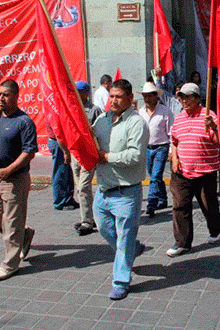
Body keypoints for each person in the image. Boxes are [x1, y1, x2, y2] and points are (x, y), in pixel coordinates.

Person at [92, 79, 149, 300]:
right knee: (105, 229)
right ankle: (133, 249)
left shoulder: (136, 123)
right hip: (104, 189)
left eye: (118, 97)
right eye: (111, 96)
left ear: (129, 99)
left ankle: (121, 281)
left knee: (124, 238)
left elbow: (135, 155)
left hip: (127, 192)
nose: (113, 101)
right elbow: (91, 142)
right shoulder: (101, 121)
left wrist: (108, 157)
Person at [0, 79, 38, 281]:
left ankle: (10, 264)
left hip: (15, 180)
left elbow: (29, 152)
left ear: (16, 96)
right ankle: (24, 234)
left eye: (5, 94)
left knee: (11, 225)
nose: (1, 98)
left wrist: (8, 170)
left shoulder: (24, 121)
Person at [166, 82, 220, 257]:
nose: (184, 101)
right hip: (181, 172)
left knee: (208, 205)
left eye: (188, 97)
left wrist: (213, 127)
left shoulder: (209, 116)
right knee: (179, 206)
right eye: (181, 97)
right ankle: (182, 243)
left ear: (198, 99)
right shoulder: (179, 117)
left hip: (205, 171)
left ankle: (216, 230)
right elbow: (174, 140)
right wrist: (174, 158)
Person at [138, 81, 174, 217]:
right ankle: (163, 199)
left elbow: (171, 131)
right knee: (155, 176)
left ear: (156, 97)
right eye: (145, 96)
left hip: (161, 147)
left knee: (155, 175)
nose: (147, 99)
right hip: (147, 148)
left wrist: (171, 149)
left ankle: (151, 203)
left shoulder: (165, 111)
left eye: (149, 96)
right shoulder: (141, 112)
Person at [71, 81, 102, 236]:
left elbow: (101, 130)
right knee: (80, 188)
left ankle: (87, 222)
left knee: (83, 186)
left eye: (79, 91)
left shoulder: (94, 110)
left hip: (88, 154)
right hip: (75, 153)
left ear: (86, 93)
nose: (76, 93)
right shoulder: (72, 108)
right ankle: (88, 216)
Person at [47, 120, 78, 211]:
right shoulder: (54, 111)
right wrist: (65, 151)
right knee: (60, 173)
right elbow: (57, 132)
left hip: (61, 142)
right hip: (58, 143)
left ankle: (68, 199)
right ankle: (60, 201)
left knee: (67, 172)